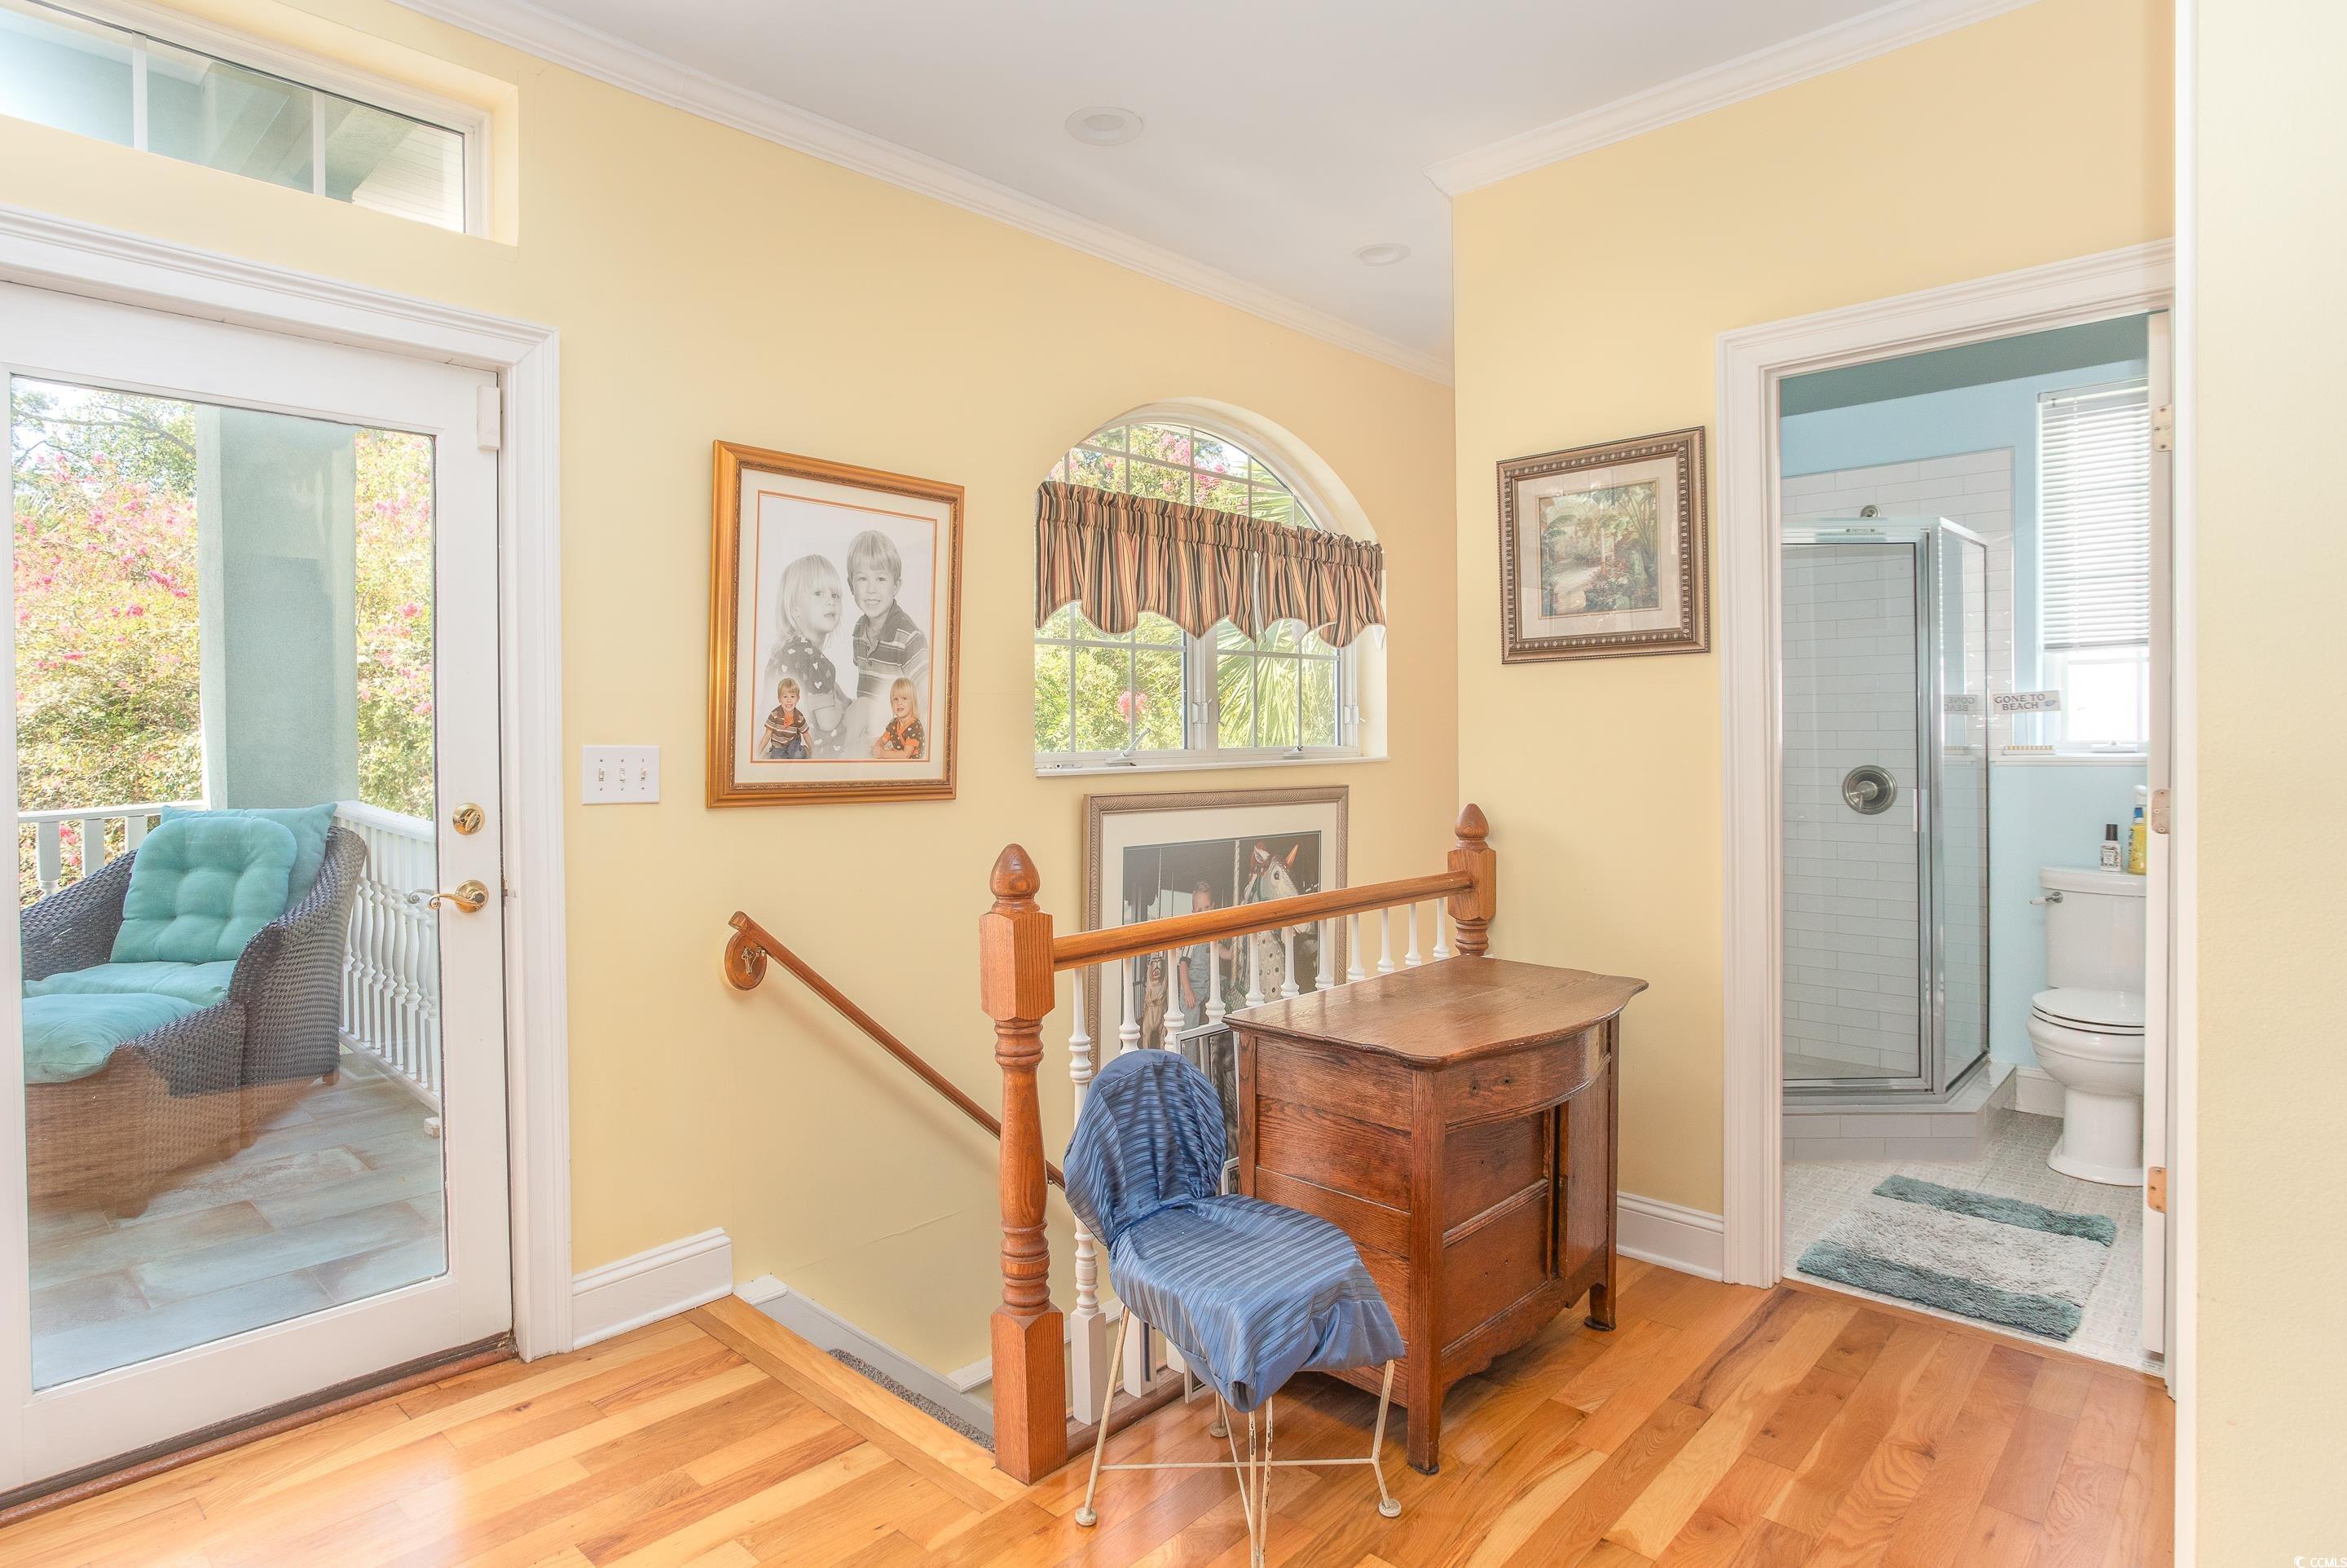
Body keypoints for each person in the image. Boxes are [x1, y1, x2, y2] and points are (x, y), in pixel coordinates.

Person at [845, 529, 929, 755]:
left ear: (896, 585)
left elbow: (926, 701)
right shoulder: (859, 631)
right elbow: (866, 693)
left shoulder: (909, 638)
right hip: (870, 733)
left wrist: (902, 739)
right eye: (862, 579)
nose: (871, 589)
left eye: (880, 579)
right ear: (851, 585)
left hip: (896, 740)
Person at [769, 554, 848, 758]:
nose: (830, 601)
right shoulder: (813, 659)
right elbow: (828, 722)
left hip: (783, 751)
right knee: (864, 707)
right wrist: (841, 705)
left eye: (835, 595)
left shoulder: (783, 652)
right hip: (817, 754)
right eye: (818, 593)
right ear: (795, 608)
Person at [870, 676, 925, 760]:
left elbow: (906, 755)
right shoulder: (894, 724)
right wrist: (878, 748)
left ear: (913, 702)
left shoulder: (915, 726)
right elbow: (882, 740)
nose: (899, 702)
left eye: (904, 698)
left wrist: (884, 753)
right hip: (896, 759)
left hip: (911, 763)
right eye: (896, 699)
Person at [760, 676, 808, 760]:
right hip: (778, 744)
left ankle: (805, 750)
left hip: (793, 743)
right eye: (785, 697)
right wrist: (757, 753)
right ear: (779, 699)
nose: (789, 700)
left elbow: (806, 735)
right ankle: (781, 753)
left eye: (792, 696)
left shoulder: (799, 716)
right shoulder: (774, 715)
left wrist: (814, 750)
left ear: (797, 699)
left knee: (796, 756)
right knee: (777, 758)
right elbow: (767, 735)